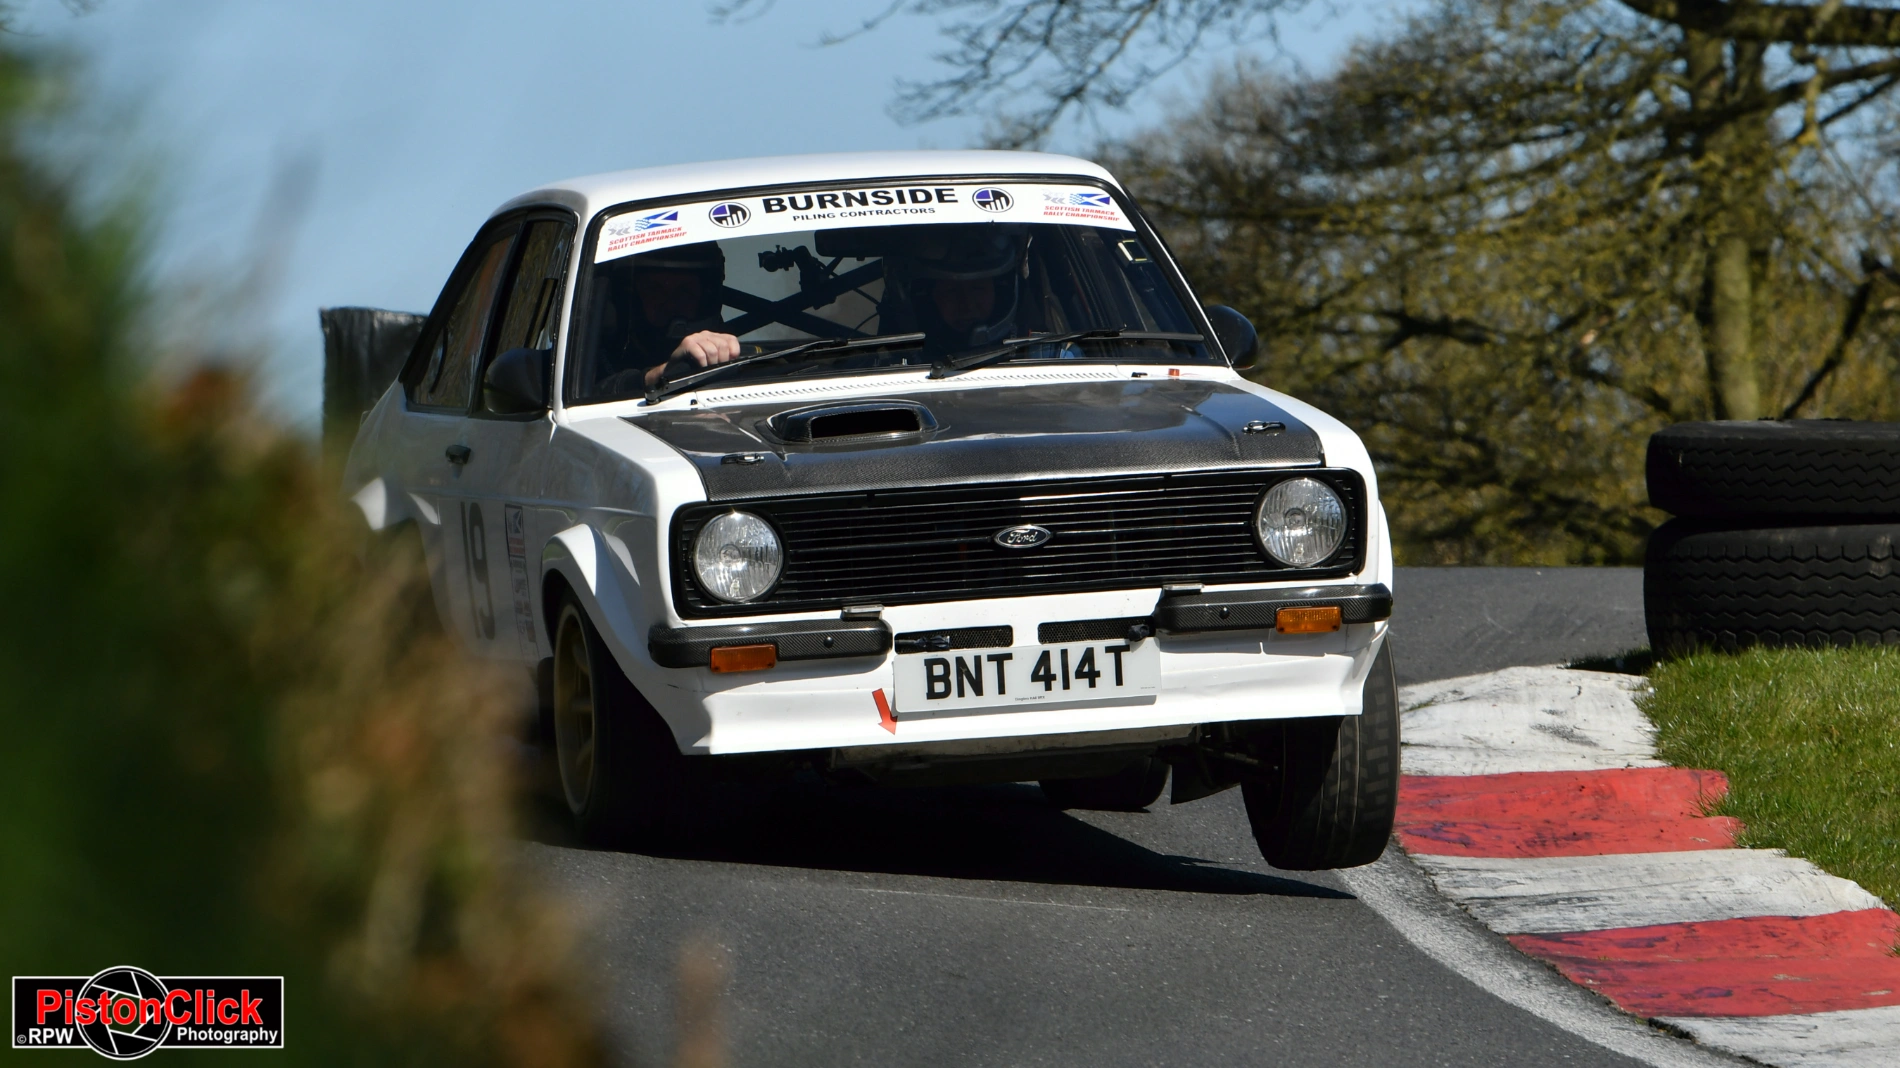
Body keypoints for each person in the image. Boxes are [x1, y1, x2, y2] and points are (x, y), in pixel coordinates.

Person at [595, 241, 742, 391]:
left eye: (684, 291)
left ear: (705, 298)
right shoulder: (592, 352)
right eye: (655, 290)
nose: (670, 304)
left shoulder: (737, 357)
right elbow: (593, 395)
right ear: (633, 297)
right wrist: (654, 377)